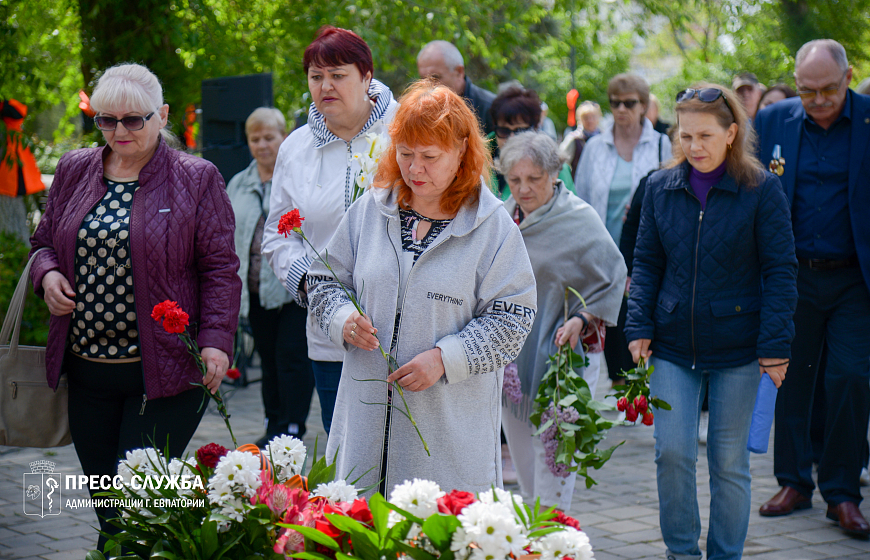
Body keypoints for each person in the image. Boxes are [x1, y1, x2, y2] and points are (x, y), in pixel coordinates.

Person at [28, 63, 240, 548]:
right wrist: (49, 274)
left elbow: (220, 269)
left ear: (162, 115)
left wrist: (215, 342)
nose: (118, 131)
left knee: (139, 509)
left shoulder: (197, 178)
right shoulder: (75, 168)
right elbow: (42, 243)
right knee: (109, 512)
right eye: (105, 120)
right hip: (87, 374)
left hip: (165, 373)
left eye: (132, 120)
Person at [307, 80, 537, 495]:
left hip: (446, 440)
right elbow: (323, 280)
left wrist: (445, 358)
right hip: (364, 428)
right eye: (406, 154)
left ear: (462, 153)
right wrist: (341, 318)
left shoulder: (493, 227)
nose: (415, 169)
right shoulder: (370, 211)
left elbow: (514, 318)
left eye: (430, 157)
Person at [625, 83, 798, 560]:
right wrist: (638, 326)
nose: (694, 147)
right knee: (673, 453)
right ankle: (681, 553)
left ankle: (726, 555)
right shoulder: (659, 187)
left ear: (731, 133)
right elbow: (645, 262)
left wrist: (776, 346)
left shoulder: (762, 189)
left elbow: (780, 270)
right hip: (673, 344)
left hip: (741, 348)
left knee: (729, 464)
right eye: (685, 137)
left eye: (705, 135)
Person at [755, 39, 870, 537]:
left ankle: (842, 492)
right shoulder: (774, 120)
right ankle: (794, 482)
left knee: (849, 377)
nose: (818, 99)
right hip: (792, 274)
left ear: (847, 78)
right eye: (807, 90)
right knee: (791, 377)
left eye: (827, 89)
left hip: (854, 276)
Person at [262, 26, 398, 435]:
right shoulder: (296, 148)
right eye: (316, 76)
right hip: (332, 337)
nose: (325, 86)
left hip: (406, 332)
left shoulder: (405, 132)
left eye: (338, 75)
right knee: (349, 467)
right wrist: (315, 290)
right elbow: (277, 236)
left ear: (366, 75)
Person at [499, 131, 625, 509]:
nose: (523, 189)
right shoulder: (503, 219)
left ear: (555, 174)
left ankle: (555, 535)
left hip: (564, 358)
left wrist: (583, 319)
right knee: (522, 459)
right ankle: (533, 537)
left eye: (533, 179)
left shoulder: (580, 219)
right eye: (514, 179)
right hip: (513, 359)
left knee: (554, 455)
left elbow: (613, 276)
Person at [574, 74, 670, 388]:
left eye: (629, 103)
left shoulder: (659, 143)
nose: (621, 109)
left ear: (643, 106)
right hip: (603, 249)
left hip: (645, 250)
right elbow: (581, 199)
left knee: (640, 316)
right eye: (615, 103)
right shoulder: (595, 147)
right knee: (611, 319)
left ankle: (642, 390)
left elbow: (670, 193)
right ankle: (621, 391)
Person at [227, 108, 315, 447]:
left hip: (292, 290)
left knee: (291, 358)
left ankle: (293, 426)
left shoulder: (299, 177)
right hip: (254, 290)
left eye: (269, 137)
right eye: (255, 139)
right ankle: (273, 423)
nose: (262, 145)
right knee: (267, 360)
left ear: (284, 137)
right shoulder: (239, 183)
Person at [488, 86, 574, 200]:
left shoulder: (554, 165)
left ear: (536, 129)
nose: (512, 138)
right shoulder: (472, 161)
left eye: (520, 131)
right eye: (504, 131)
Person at [417, 40, 497, 136]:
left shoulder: (491, 109)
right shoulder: (418, 110)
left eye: (436, 78)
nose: (429, 85)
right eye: (423, 79)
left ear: (459, 72)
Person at [559, 100, 601, 177]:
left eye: (593, 117)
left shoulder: (604, 138)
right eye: (586, 117)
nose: (590, 120)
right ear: (580, 119)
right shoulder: (574, 139)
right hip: (579, 181)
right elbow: (562, 162)